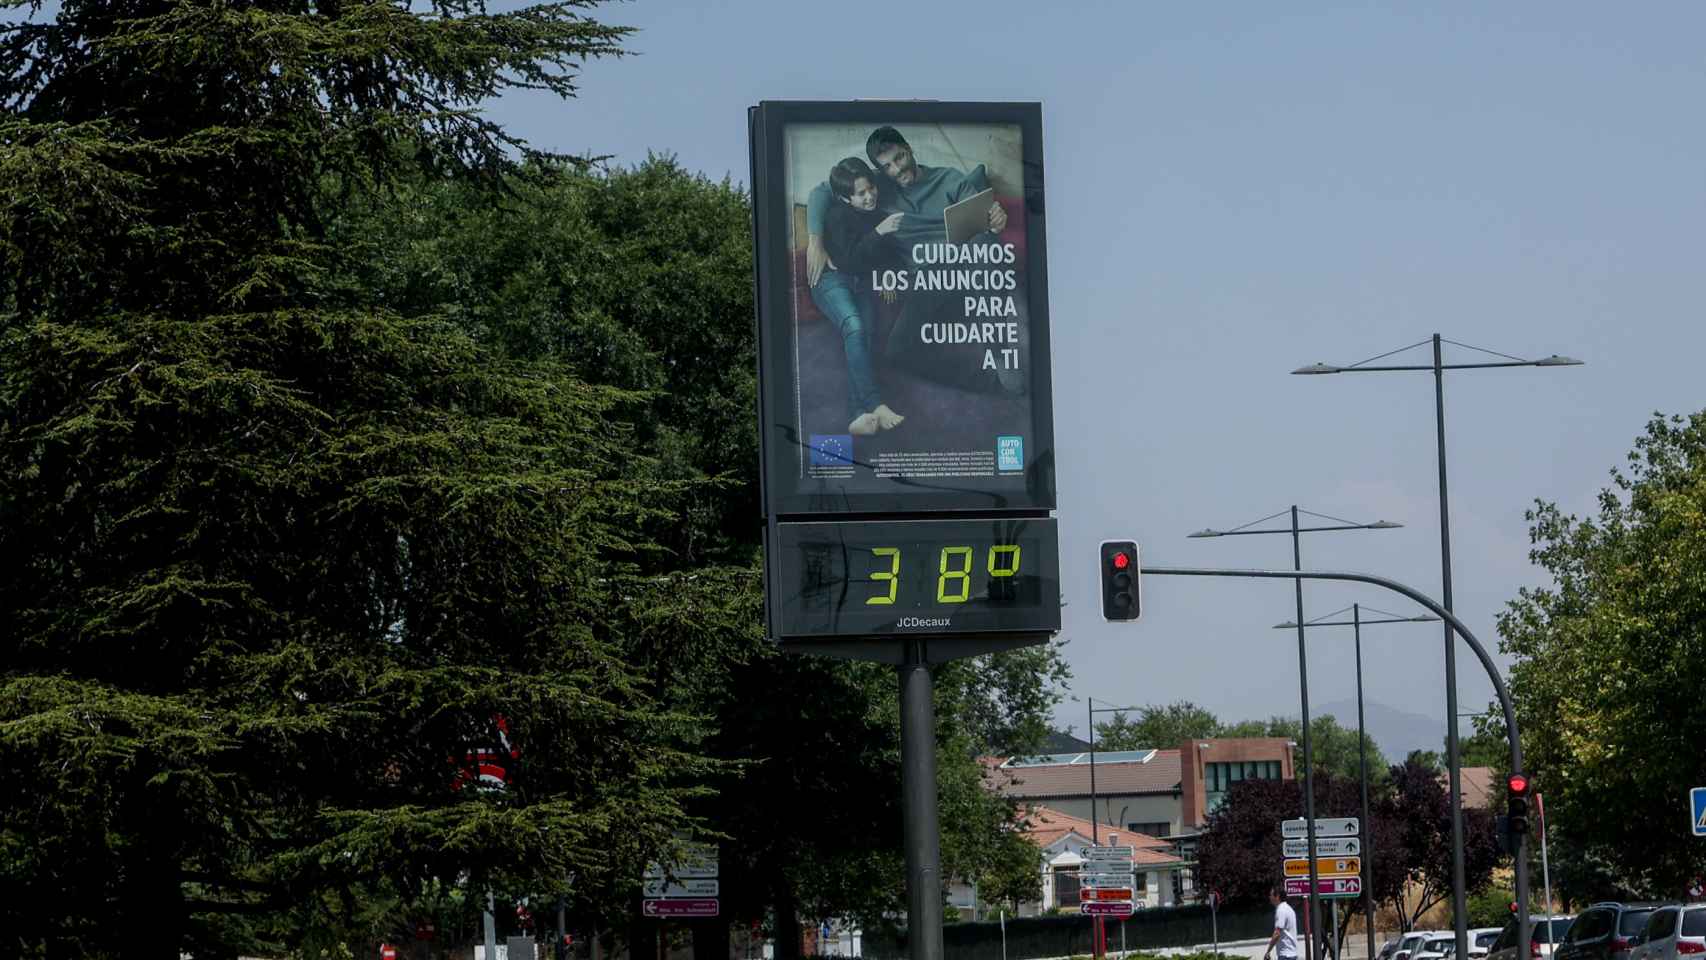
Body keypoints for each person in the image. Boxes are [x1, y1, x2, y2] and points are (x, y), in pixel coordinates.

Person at [820, 156, 906, 435]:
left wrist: (886, 275)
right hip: (831, 279)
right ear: (846, 199)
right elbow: (847, 261)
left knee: (868, 336)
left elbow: (891, 256)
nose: (870, 196)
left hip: (862, 282)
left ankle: (858, 416)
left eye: (871, 189)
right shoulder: (836, 215)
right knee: (854, 327)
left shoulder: (877, 213)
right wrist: (878, 232)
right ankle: (875, 404)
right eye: (861, 194)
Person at [1266, 886, 1299, 960]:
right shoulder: (1288, 908)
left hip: (1286, 955)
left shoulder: (1281, 910)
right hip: (1291, 953)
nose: (1269, 897)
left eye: (1271, 895)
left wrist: (1268, 951)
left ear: (1277, 896)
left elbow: (1277, 933)